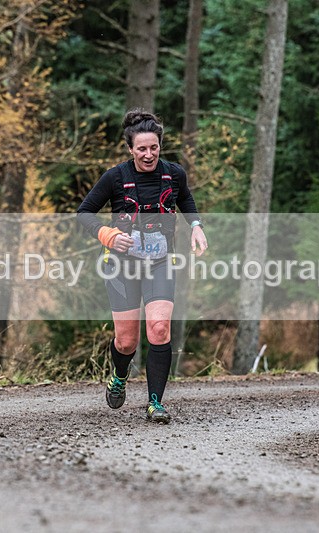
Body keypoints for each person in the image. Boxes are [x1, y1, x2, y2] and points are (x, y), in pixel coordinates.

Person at [77, 109, 208, 424]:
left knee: (160, 328)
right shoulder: (115, 177)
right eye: (141, 149)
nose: (148, 154)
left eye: (154, 148)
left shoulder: (174, 174)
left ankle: (155, 403)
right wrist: (107, 235)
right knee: (126, 341)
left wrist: (197, 226)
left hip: (160, 262)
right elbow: (84, 213)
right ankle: (119, 376)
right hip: (122, 265)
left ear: (160, 145)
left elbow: (185, 200)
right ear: (130, 149)